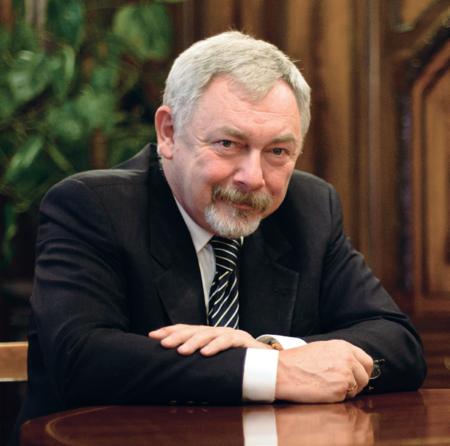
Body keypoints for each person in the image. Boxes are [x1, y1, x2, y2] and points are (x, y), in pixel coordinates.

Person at [11, 31, 426, 444]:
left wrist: (274, 350)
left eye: (278, 152)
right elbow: (82, 360)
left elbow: (399, 345)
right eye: (229, 144)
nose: (253, 177)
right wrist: (269, 372)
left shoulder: (310, 208)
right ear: (169, 132)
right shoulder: (92, 206)